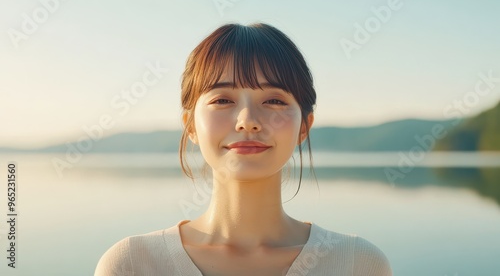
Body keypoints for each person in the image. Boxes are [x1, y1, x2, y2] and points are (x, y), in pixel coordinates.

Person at [95, 22, 392, 276]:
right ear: (191, 126)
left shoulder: (357, 264)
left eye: (274, 101)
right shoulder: (132, 264)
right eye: (223, 100)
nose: (247, 121)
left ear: (304, 126)